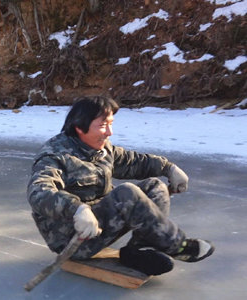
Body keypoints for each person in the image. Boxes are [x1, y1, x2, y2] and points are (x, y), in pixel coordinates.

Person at [27, 96, 214, 275]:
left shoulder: (102, 148)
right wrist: (77, 209)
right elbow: (39, 191)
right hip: (73, 238)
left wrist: (168, 168)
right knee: (127, 193)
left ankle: (140, 249)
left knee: (155, 187)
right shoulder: (54, 156)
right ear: (79, 127)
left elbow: (132, 162)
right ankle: (178, 246)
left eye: (110, 124)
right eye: (102, 126)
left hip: (100, 223)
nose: (109, 132)